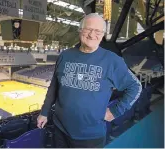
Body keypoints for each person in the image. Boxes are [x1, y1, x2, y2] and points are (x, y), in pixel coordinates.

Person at [37, 13, 142, 148]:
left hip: (90, 137)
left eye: (98, 31)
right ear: (80, 30)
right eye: (88, 29)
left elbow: (135, 87)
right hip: (60, 129)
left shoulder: (112, 61)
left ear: (103, 34)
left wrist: (115, 111)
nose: (92, 35)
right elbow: (54, 87)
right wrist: (44, 112)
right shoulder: (65, 56)